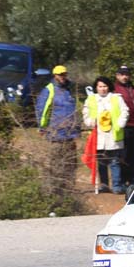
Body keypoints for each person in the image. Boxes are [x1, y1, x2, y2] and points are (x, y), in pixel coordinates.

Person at [35, 65, 81, 194]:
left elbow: (77, 108)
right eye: (60, 75)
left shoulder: (70, 89)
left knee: (71, 162)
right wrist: (42, 127)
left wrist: (78, 127)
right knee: (55, 162)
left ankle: (69, 188)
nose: (62, 77)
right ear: (55, 75)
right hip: (55, 133)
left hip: (70, 133)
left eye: (64, 74)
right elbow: (42, 109)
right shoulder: (49, 90)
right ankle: (54, 189)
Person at [83, 76, 129, 194]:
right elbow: (86, 113)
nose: (102, 89)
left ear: (108, 87)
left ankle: (117, 186)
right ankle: (104, 185)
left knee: (114, 161)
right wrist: (90, 122)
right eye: (100, 86)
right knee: (101, 162)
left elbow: (125, 111)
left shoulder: (116, 98)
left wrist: (121, 123)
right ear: (96, 87)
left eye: (105, 86)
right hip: (98, 136)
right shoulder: (91, 99)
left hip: (113, 135)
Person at [114, 65, 134, 185]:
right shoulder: (115, 90)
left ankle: (133, 176)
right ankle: (123, 178)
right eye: (122, 74)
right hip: (125, 126)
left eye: (126, 74)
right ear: (117, 76)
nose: (125, 77)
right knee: (124, 153)